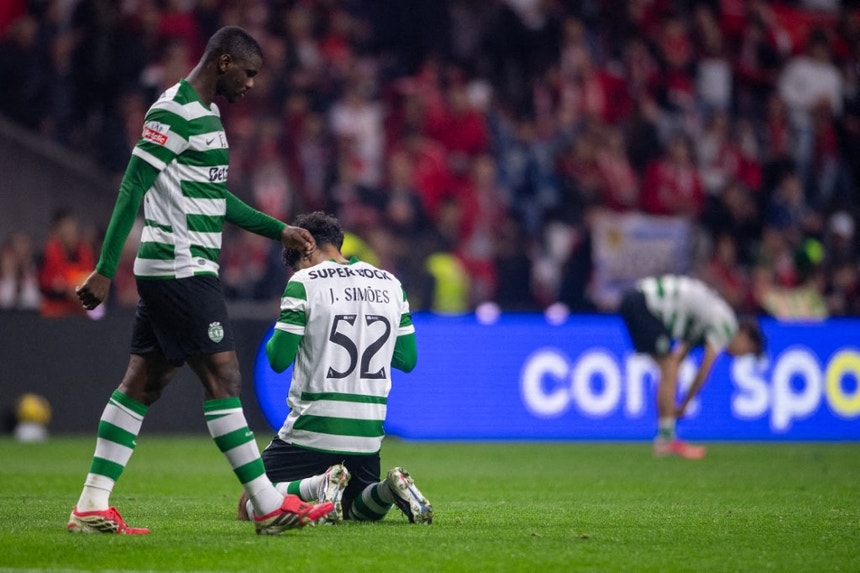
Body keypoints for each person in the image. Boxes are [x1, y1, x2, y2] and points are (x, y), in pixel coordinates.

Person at [68, 26, 333, 536]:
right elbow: (132, 187)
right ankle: (267, 504)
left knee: (142, 384)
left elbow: (218, 200)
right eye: (250, 74)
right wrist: (105, 268)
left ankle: (91, 504)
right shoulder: (173, 112)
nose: (252, 86)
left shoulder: (208, 117)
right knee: (224, 378)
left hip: (180, 270)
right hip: (180, 269)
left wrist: (279, 229)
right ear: (226, 62)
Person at [237, 211, 433, 525]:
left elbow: (277, 359)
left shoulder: (303, 282)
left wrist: (294, 319)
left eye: (298, 261)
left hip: (313, 429)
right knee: (357, 506)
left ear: (306, 249)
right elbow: (408, 360)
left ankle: (319, 484)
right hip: (367, 436)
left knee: (250, 501)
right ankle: (389, 489)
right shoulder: (392, 285)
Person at [618, 274, 764, 459]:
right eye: (747, 351)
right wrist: (685, 403)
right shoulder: (727, 324)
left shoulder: (711, 317)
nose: (741, 356)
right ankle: (666, 440)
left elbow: (681, 354)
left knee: (669, 368)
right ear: (744, 334)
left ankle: (666, 435)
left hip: (638, 299)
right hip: (646, 304)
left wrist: (676, 401)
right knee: (669, 369)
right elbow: (704, 369)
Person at [38, 209, 95, 317]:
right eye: (65, 229)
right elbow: (46, 288)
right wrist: (66, 290)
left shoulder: (85, 253)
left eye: (72, 229)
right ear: (56, 231)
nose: (70, 233)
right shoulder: (47, 255)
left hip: (80, 314)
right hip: (55, 315)